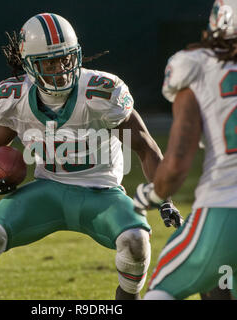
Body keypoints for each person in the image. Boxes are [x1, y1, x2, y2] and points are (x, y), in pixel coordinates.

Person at [0, 13, 181, 300]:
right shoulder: (16, 98)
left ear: (75, 55)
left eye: (65, 59)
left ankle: (126, 299)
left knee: (136, 241)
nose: (61, 69)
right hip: (48, 189)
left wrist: (164, 198)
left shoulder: (101, 93)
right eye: (50, 62)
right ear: (30, 63)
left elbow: (145, 146)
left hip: (102, 193)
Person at [133, 0, 237, 300]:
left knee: (162, 289)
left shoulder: (197, 66)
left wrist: (150, 195)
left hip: (224, 208)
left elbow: (177, 163)